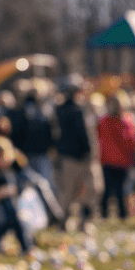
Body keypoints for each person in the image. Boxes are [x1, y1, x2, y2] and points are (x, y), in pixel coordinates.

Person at [53, 77, 101, 231]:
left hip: (68, 157)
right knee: (86, 191)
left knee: (73, 192)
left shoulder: (58, 110)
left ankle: (68, 222)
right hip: (78, 157)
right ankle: (81, 222)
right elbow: (85, 134)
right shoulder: (74, 110)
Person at [96, 94, 135, 221]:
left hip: (110, 160)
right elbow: (131, 141)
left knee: (109, 189)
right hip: (119, 160)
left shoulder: (104, 121)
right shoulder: (126, 122)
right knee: (119, 189)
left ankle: (106, 213)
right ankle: (120, 214)